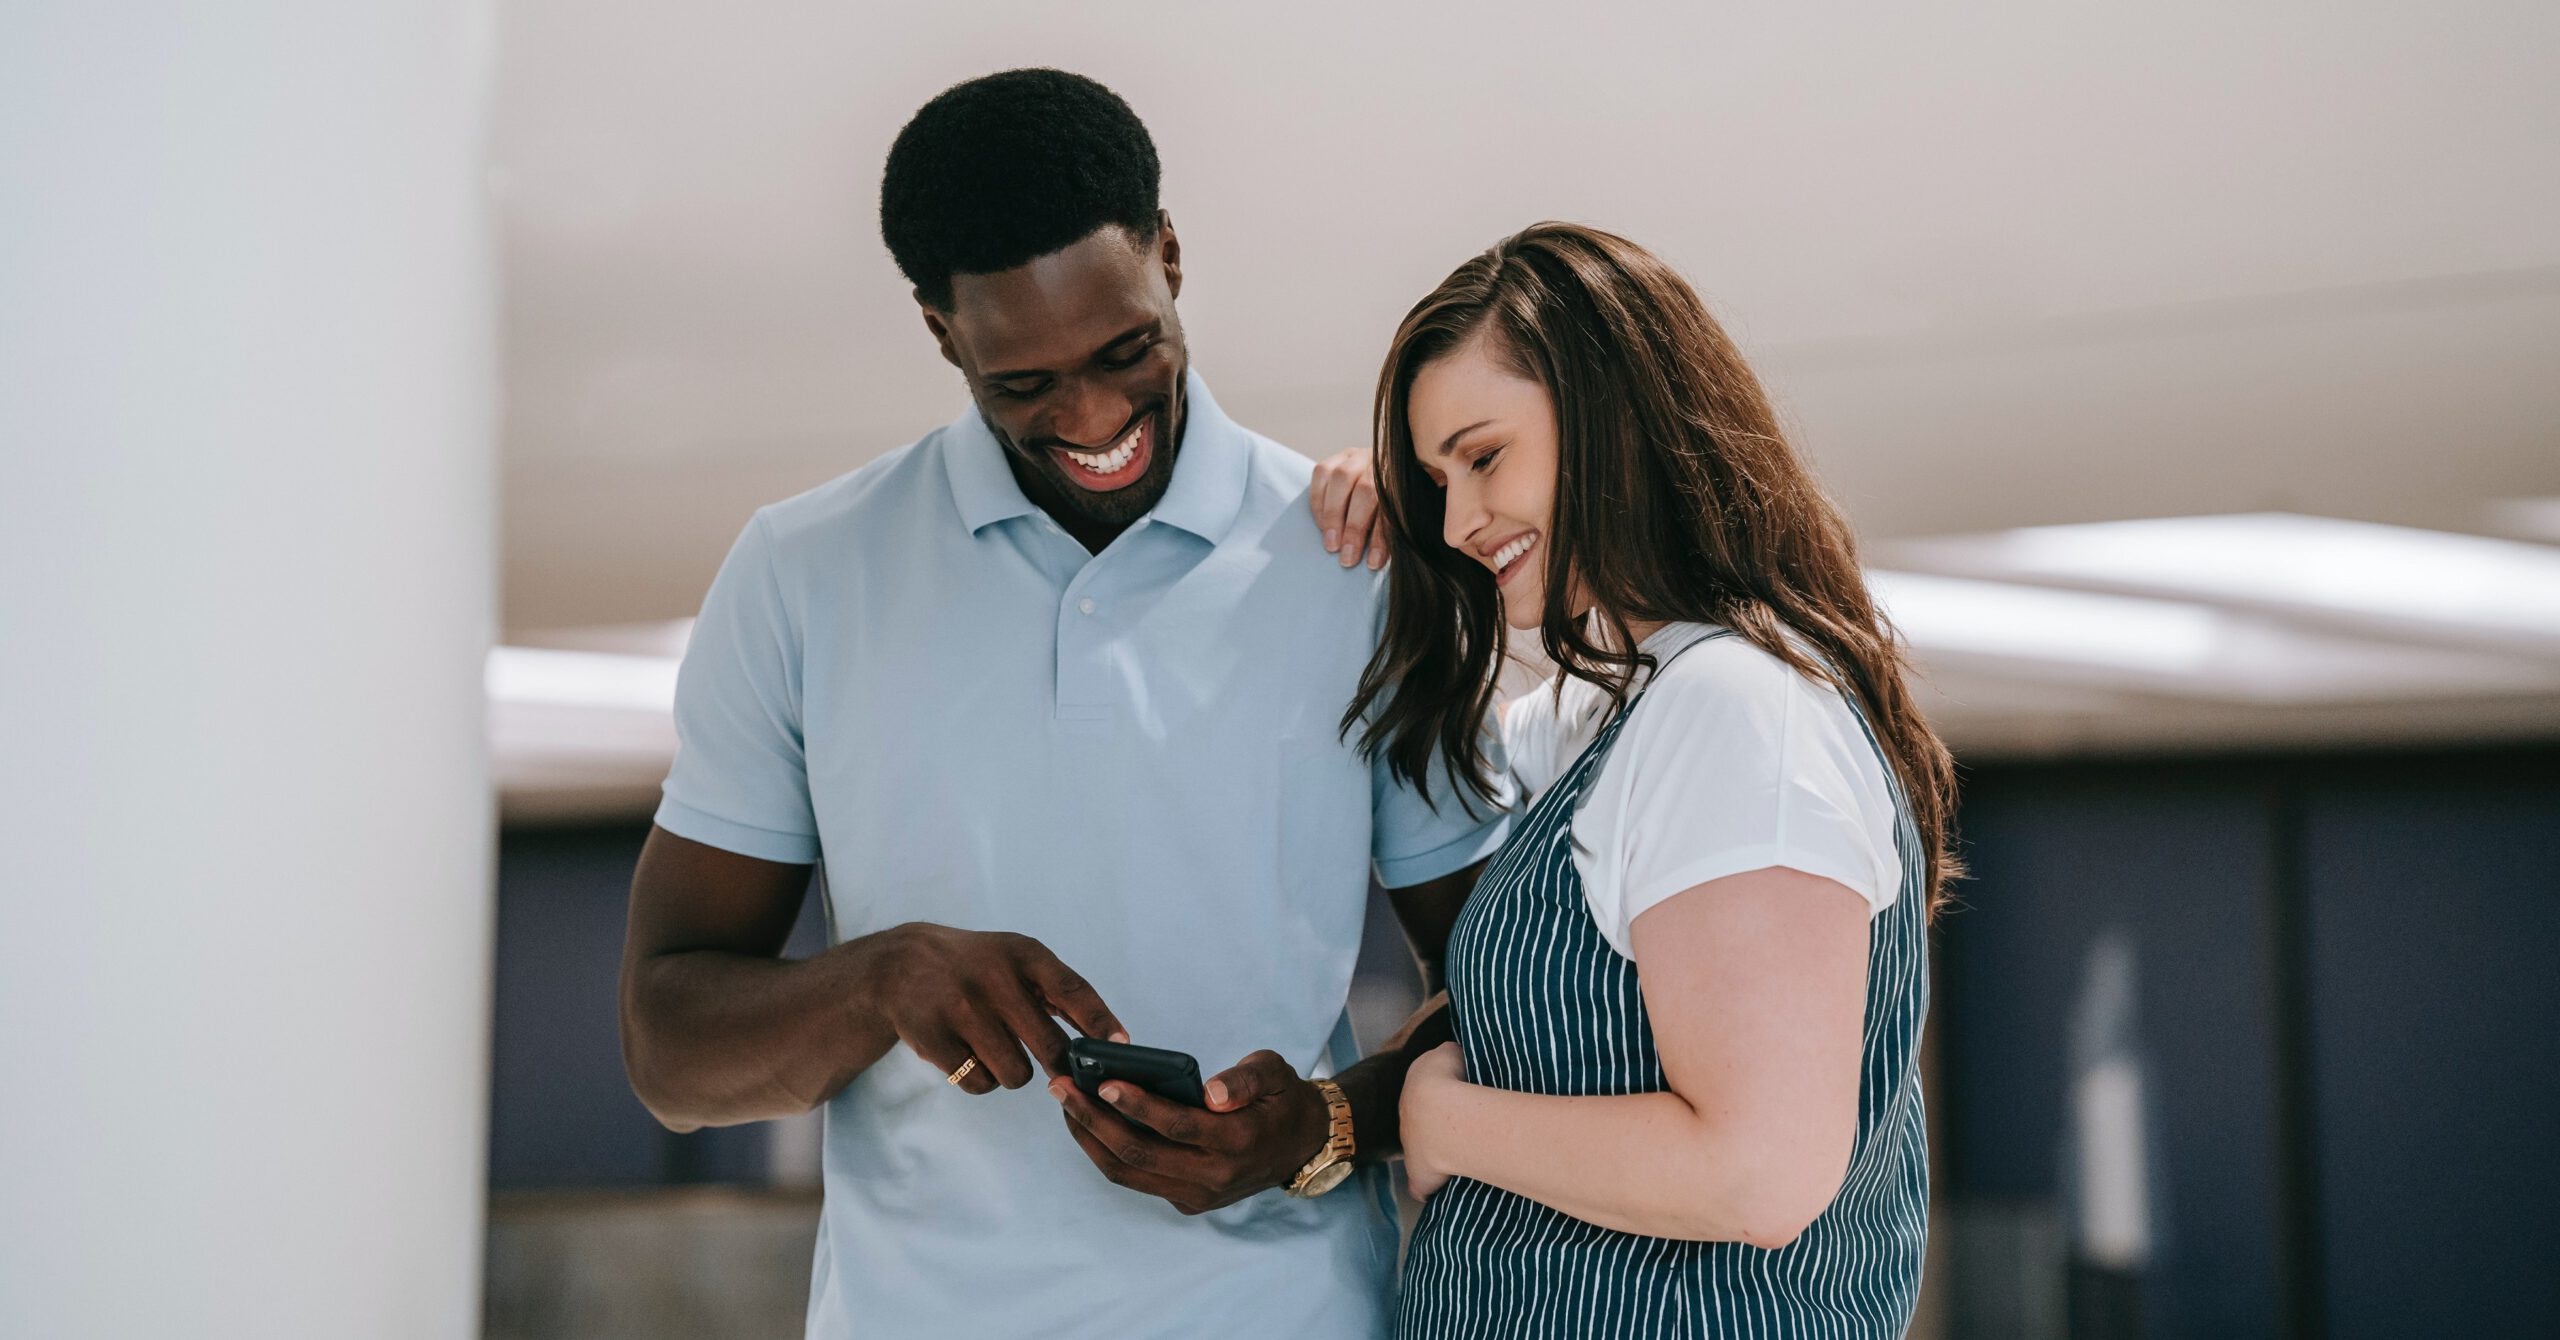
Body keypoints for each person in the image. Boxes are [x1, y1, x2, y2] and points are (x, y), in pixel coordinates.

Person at [616, 70, 1503, 1338]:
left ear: (1171, 261)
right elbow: (668, 1048)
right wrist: (878, 979)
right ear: (941, 332)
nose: (1092, 418)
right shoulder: (804, 571)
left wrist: (1321, 1124)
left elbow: (1511, 990)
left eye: (1125, 349)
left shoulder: (1356, 567)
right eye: (1022, 384)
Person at [1348, 222, 1960, 1337]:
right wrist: (1329, 534)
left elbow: (1756, 1171)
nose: (1456, 520)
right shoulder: (1634, 702)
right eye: (1436, 478)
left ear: (1610, 421)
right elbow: (1452, 747)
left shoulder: (1740, 710)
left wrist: (1438, 1118)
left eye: (1483, 456)